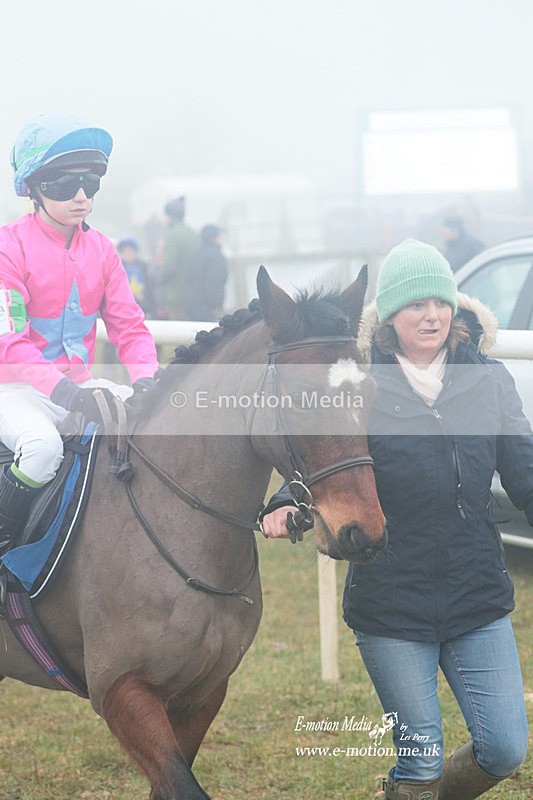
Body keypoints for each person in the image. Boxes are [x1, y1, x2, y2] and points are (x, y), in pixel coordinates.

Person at [260, 239, 533, 799]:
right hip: (392, 602)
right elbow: (329, 454)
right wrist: (286, 500)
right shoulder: (359, 383)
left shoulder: (492, 380)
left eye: (440, 301)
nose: (431, 314)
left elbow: (525, 474)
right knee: (421, 765)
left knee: (505, 749)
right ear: (388, 317)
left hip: (476, 594)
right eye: (415, 304)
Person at [0, 112, 159, 601]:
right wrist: (69, 392)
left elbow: (130, 327)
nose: (81, 197)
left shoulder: (104, 251)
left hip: (78, 388)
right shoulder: (8, 247)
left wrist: (148, 381)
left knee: (153, 428)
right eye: (66, 184)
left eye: (90, 183)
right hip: (16, 390)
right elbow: (9, 344)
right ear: (33, 187)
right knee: (43, 448)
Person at [157, 196, 199, 319]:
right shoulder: (193, 233)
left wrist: (159, 278)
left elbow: (169, 266)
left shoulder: (171, 235)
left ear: (170, 216)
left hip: (175, 293)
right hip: (193, 292)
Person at [184, 224, 228, 321]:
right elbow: (214, 282)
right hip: (206, 306)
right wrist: (215, 305)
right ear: (214, 238)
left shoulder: (198, 253)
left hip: (192, 303)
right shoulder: (216, 256)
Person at [116, 236, 157, 318]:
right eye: (125, 251)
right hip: (123, 309)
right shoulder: (117, 268)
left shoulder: (144, 268)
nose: (128, 253)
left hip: (143, 307)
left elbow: (151, 289)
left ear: (135, 252)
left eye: (130, 251)